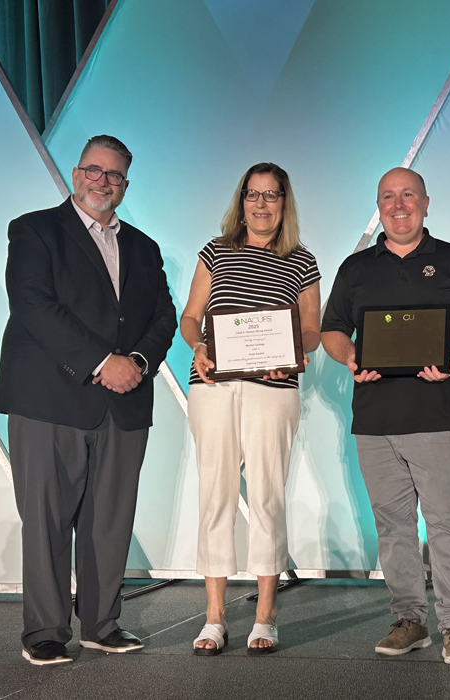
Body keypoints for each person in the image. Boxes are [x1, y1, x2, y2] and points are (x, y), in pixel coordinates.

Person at [0, 135, 177, 665]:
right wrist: (103, 362)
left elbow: (162, 317)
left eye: (115, 175)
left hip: (123, 403)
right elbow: (33, 304)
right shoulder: (34, 230)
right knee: (47, 519)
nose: (103, 181)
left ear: (125, 185)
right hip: (50, 398)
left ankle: (102, 624)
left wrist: (137, 364)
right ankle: (46, 632)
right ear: (77, 175)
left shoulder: (143, 247)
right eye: (94, 171)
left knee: (110, 521)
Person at [320, 167, 450, 665]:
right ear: (378, 207)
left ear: (425, 202)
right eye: (388, 198)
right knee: (393, 524)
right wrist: (350, 357)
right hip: (374, 418)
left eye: (408, 196)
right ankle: (409, 619)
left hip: (438, 415)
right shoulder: (356, 268)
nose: (399, 206)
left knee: (445, 522)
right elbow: (332, 330)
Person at [180, 163, 321, 656]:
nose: (262, 205)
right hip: (213, 386)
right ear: (241, 202)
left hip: (273, 390)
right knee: (215, 497)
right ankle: (215, 616)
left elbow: (311, 329)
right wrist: (198, 346)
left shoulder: (301, 260)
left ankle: (266, 613)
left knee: (267, 497)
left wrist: (296, 354)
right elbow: (191, 317)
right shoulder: (215, 251)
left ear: (285, 202)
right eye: (253, 196)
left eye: (272, 196)